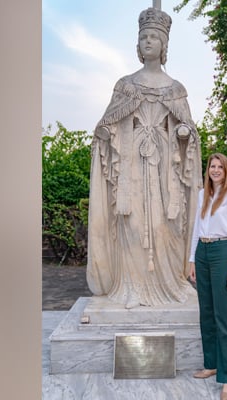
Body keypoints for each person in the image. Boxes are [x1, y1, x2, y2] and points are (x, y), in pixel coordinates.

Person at [86, 7, 203, 309]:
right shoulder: (125, 86)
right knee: (133, 225)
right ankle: (132, 288)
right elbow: (108, 126)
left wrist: (183, 136)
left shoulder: (176, 90)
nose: (149, 41)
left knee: (166, 227)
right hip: (131, 168)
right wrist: (104, 135)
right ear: (137, 45)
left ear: (164, 46)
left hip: (165, 170)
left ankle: (168, 284)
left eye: (154, 37)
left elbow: (189, 133)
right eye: (144, 37)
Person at [188, 153, 227, 400]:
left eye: (220, 166)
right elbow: (196, 229)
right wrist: (192, 258)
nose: (215, 170)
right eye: (212, 166)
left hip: (223, 251)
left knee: (224, 316)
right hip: (203, 250)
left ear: (226, 169)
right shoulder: (203, 194)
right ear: (207, 170)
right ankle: (211, 363)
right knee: (207, 312)